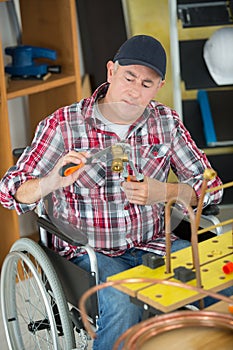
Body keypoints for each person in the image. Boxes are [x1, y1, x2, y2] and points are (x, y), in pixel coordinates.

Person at [0, 35, 226, 349]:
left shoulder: (166, 123)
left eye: (147, 84)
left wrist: (167, 191)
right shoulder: (64, 125)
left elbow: (212, 188)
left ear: (159, 86)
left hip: (156, 243)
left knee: (222, 282)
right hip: (90, 254)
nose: (135, 91)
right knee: (122, 302)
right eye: (129, 77)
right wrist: (52, 181)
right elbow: (10, 191)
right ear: (111, 72)